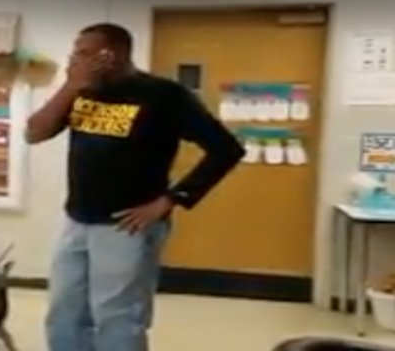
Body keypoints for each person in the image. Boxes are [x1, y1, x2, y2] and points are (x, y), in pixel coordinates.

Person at [30, 23, 244, 351]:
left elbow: (226, 149)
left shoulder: (163, 95)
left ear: (111, 55)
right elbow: (35, 133)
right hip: (77, 221)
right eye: (75, 52)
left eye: (84, 53)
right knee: (64, 313)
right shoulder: (83, 91)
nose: (75, 59)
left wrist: (171, 200)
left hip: (128, 225)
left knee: (116, 316)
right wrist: (70, 87)